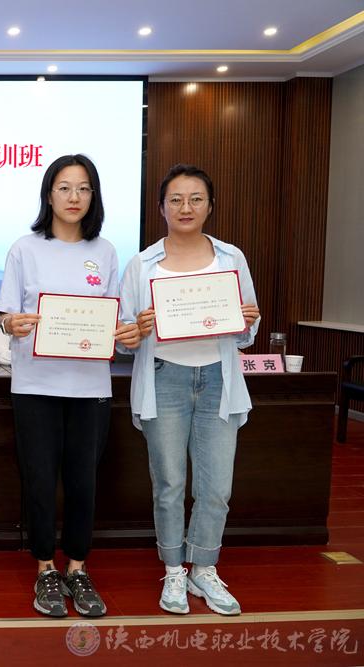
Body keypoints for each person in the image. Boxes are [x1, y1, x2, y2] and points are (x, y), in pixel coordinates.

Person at [0, 154, 141, 618]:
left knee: (83, 483)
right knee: (39, 479)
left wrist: (127, 332)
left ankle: (77, 567)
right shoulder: (25, 249)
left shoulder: (106, 251)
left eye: (83, 188)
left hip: (89, 387)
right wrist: (13, 323)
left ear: (93, 196)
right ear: (49, 194)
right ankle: (45, 569)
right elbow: (5, 316)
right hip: (35, 385)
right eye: (64, 187)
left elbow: (115, 318)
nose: (74, 197)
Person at [120, 164, 259, 616]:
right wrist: (135, 331)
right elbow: (122, 335)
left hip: (218, 378)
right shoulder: (142, 264)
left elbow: (246, 335)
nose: (186, 207)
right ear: (161, 208)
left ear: (209, 206)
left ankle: (204, 567)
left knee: (217, 486)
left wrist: (247, 320)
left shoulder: (231, 258)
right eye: (176, 199)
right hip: (165, 378)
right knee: (169, 483)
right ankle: (173, 569)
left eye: (196, 198)